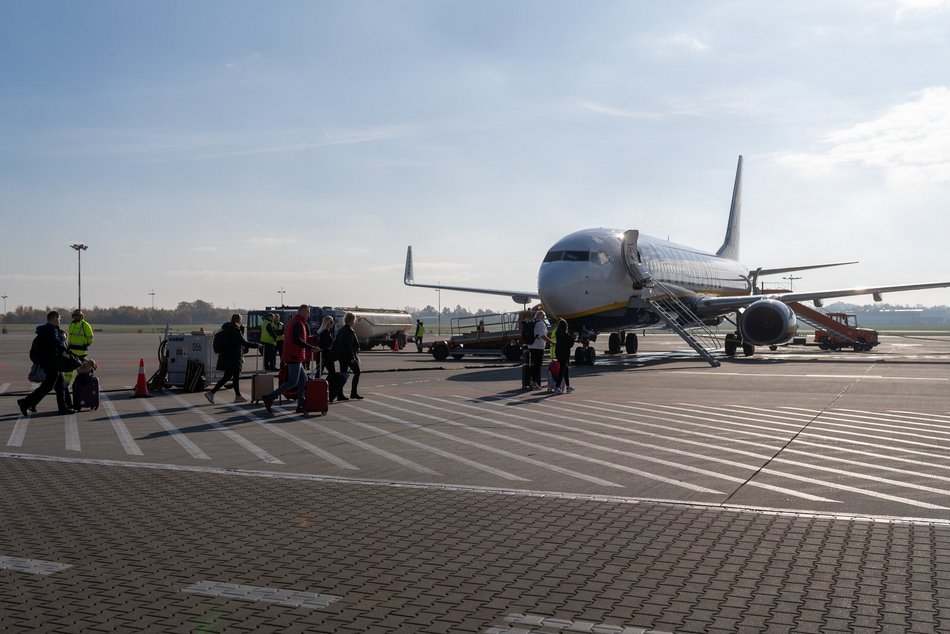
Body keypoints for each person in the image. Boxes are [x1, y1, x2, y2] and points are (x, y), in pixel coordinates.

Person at [18, 311, 74, 416]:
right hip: (50, 362)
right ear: (54, 318)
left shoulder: (48, 329)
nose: (60, 321)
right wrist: (64, 337)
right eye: (59, 319)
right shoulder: (50, 329)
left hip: (51, 361)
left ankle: (63, 408)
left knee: (61, 385)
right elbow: (56, 342)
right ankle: (25, 402)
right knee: (48, 386)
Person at [263, 305, 315, 413]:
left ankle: (300, 404)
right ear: (302, 312)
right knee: (292, 382)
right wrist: (311, 348)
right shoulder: (297, 323)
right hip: (294, 356)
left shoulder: (294, 322)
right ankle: (270, 398)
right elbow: (297, 340)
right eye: (308, 312)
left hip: (295, 356)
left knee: (303, 381)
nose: (309, 315)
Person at [205, 314, 259, 404]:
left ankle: (212, 393)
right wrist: (256, 345)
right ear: (238, 320)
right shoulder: (235, 330)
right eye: (241, 320)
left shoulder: (225, 330)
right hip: (234, 357)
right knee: (235, 377)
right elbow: (243, 343)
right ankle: (236, 396)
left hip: (225, 357)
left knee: (228, 377)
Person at [64, 309, 94, 407]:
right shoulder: (72, 324)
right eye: (74, 315)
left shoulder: (85, 325)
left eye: (77, 315)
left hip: (81, 354)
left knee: (82, 375)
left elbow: (90, 338)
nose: (75, 317)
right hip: (72, 352)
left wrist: (84, 343)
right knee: (68, 374)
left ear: (81, 316)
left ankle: (83, 394)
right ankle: (65, 388)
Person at [333, 311, 363, 401]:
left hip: (342, 357)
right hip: (348, 357)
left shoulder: (342, 330)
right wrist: (352, 358)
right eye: (354, 320)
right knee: (357, 372)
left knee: (343, 374)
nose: (354, 322)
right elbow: (349, 346)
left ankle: (340, 394)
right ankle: (353, 393)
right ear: (351, 320)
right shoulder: (349, 331)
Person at [527, 309, 553, 390]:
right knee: (537, 365)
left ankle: (532, 381)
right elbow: (542, 335)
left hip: (531, 346)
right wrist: (551, 342)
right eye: (544, 317)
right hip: (538, 347)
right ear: (542, 317)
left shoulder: (533, 323)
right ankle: (535, 383)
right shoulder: (540, 324)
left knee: (534, 364)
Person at [553, 318, 576, 394]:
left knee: (565, 369)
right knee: (562, 370)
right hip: (564, 353)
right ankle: (557, 387)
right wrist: (573, 338)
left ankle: (568, 386)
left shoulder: (557, 333)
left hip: (558, 352)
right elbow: (570, 345)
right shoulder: (566, 335)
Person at [316, 315, 336, 379]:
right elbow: (325, 346)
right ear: (327, 323)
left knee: (319, 372)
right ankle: (327, 385)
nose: (333, 324)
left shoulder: (322, 332)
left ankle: (316, 385)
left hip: (322, 355)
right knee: (332, 372)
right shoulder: (325, 333)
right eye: (332, 322)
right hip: (326, 356)